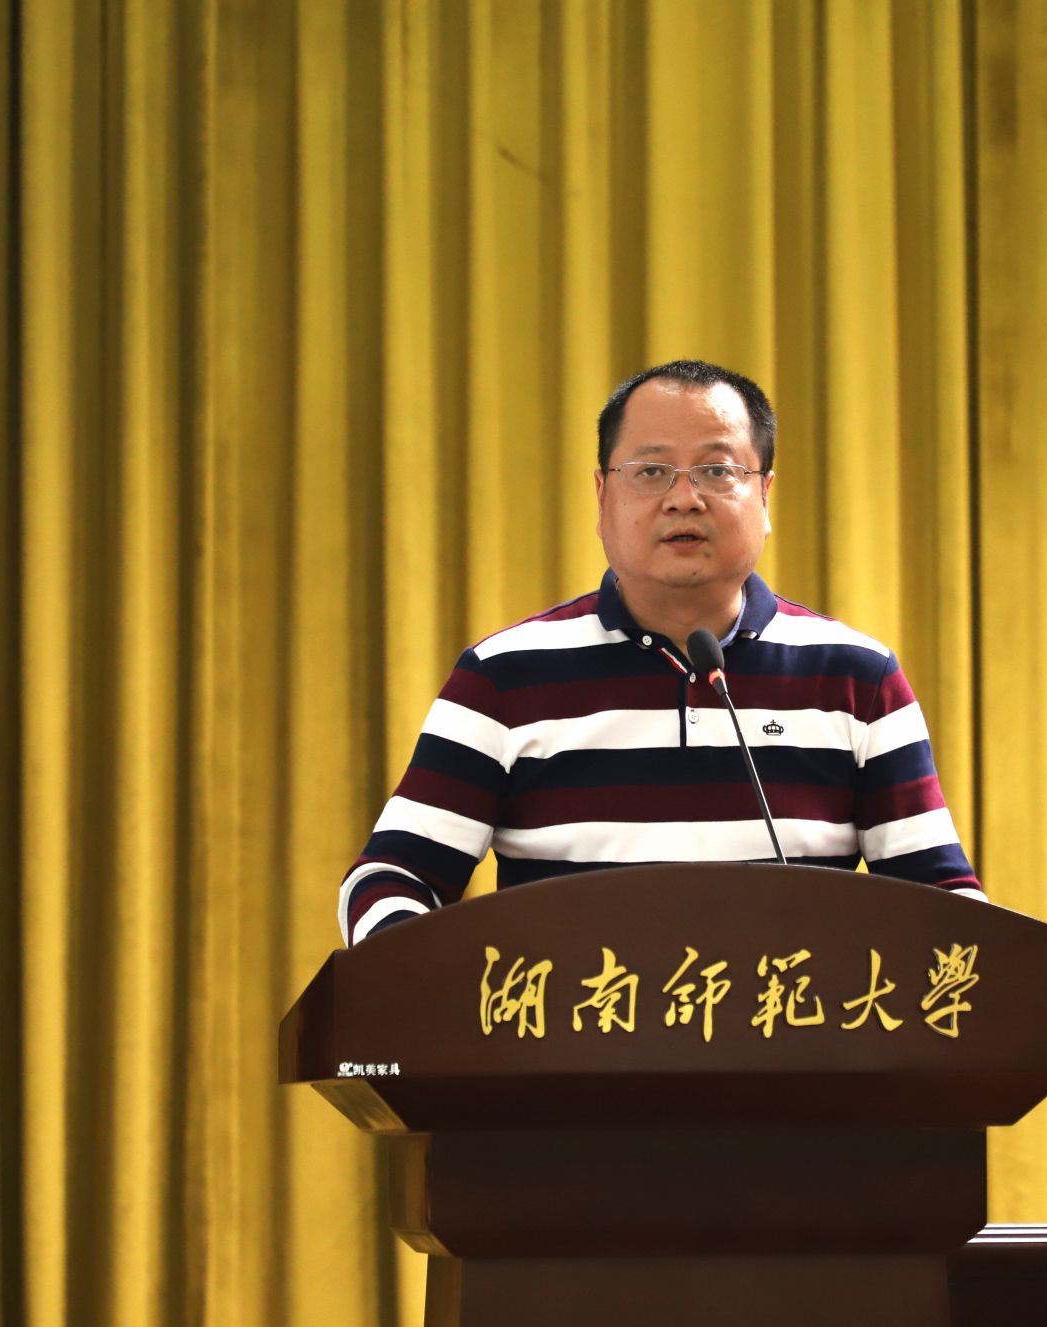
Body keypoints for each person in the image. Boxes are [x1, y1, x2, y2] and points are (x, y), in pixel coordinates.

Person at [337, 359, 982, 946]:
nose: (683, 498)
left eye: (717, 471)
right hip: (572, 1033)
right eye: (650, 472)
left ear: (765, 496)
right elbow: (391, 877)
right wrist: (422, 976)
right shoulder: (504, 677)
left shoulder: (856, 678)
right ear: (602, 497)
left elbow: (942, 901)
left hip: (790, 1037)